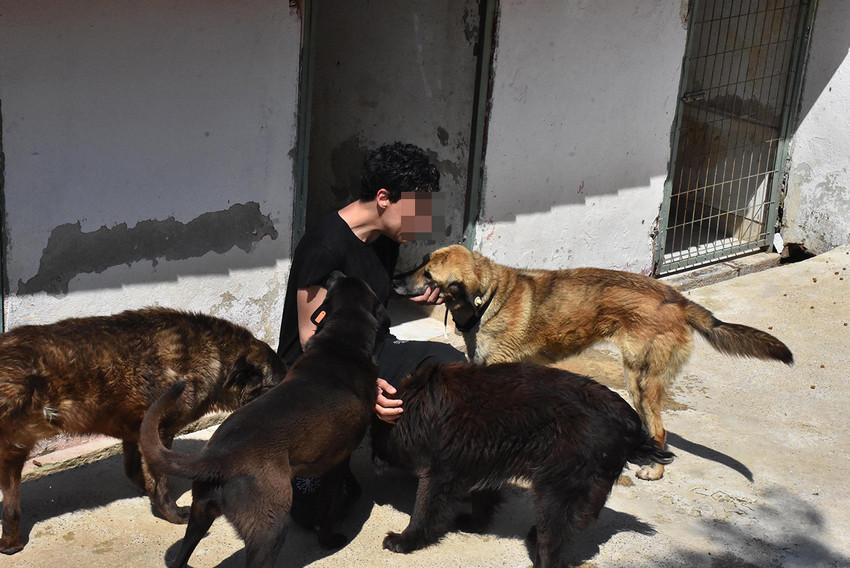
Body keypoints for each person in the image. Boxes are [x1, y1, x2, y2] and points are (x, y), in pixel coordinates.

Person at [277, 141, 466, 538]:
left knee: (451, 367)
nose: (422, 221)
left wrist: (410, 293)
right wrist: (366, 389)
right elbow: (312, 338)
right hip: (321, 371)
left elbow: (370, 294)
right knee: (316, 510)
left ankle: (407, 455)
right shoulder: (324, 243)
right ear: (384, 198)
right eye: (417, 209)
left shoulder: (384, 239)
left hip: (372, 350)